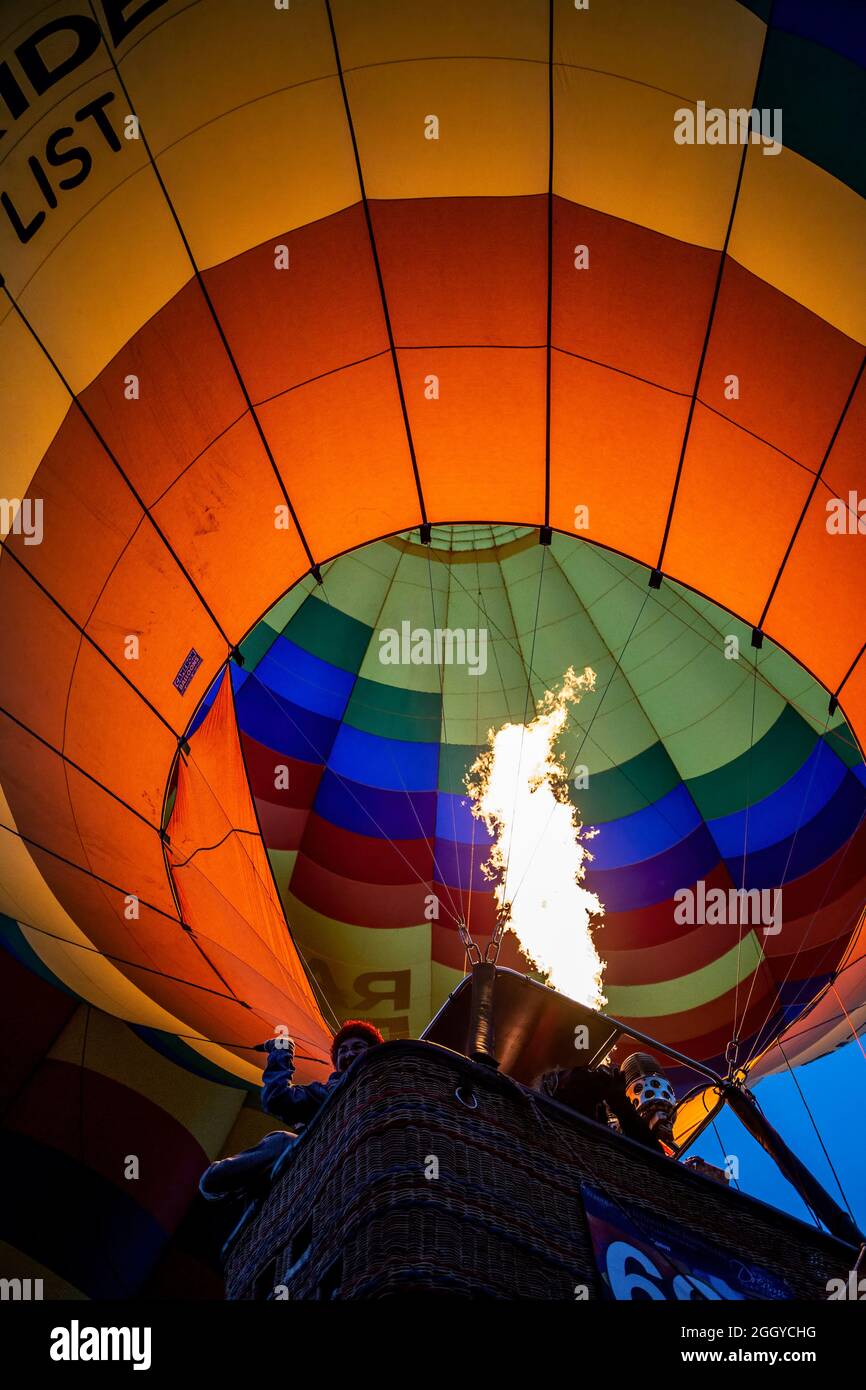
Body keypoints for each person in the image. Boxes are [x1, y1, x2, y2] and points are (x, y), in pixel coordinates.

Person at [260, 1019, 384, 1128]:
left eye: (358, 1047)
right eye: (343, 1050)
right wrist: (282, 1049)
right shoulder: (322, 1092)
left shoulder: (390, 1084)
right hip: (337, 1150)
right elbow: (276, 1097)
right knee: (278, 1140)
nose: (349, 1054)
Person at [535, 1061, 664, 1154]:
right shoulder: (562, 1140)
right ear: (560, 1091)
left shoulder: (605, 1136)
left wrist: (620, 1103)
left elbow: (656, 1158)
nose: (587, 1067)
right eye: (576, 1071)